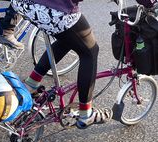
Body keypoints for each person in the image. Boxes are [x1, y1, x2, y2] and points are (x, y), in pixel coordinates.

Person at [11, 0, 158, 129]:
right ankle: (86, 113)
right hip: (52, 8)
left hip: (25, 4)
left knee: (70, 38)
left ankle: (31, 83)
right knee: (90, 51)